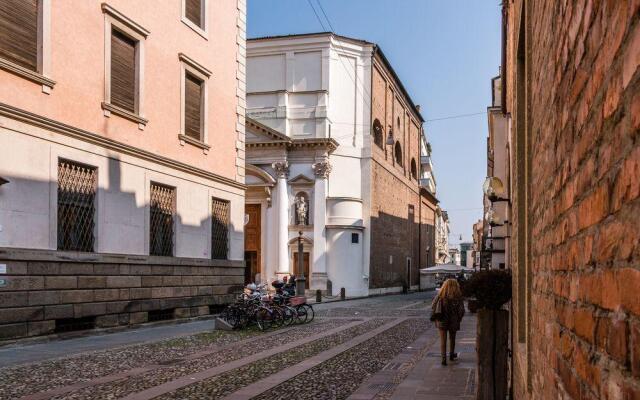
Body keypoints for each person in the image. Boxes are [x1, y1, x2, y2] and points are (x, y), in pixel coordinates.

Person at [431, 279, 466, 366]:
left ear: (444, 286)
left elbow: (433, 306)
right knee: (452, 338)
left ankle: (443, 359)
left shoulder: (440, 296)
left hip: (441, 320)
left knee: (443, 340)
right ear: (456, 286)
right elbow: (461, 310)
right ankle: (451, 354)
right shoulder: (458, 297)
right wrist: (459, 318)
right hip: (453, 321)